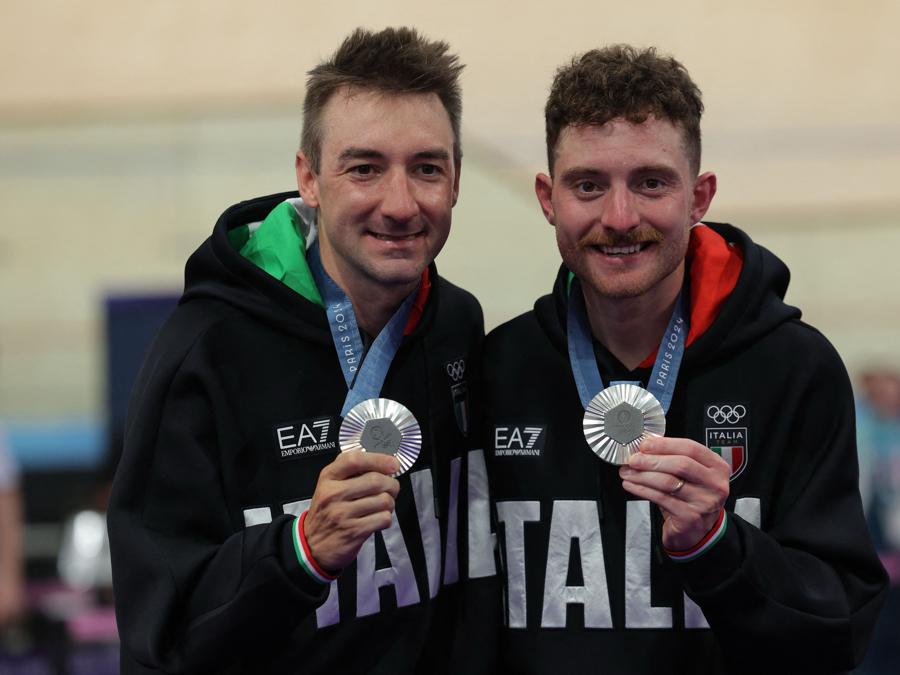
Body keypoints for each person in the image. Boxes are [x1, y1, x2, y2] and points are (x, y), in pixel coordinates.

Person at [480, 45, 887, 673]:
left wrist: (718, 544)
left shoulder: (794, 368)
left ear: (699, 197)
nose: (620, 218)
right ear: (547, 197)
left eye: (651, 183)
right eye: (588, 185)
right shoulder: (499, 368)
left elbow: (841, 633)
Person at [108, 27, 485, 674]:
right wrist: (301, 550)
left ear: (454, 182)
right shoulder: (204, 353)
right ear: (309, 178)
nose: (400, 204)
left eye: (427, 168)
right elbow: (158, 636)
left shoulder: (456, 324)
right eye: (364, 168)